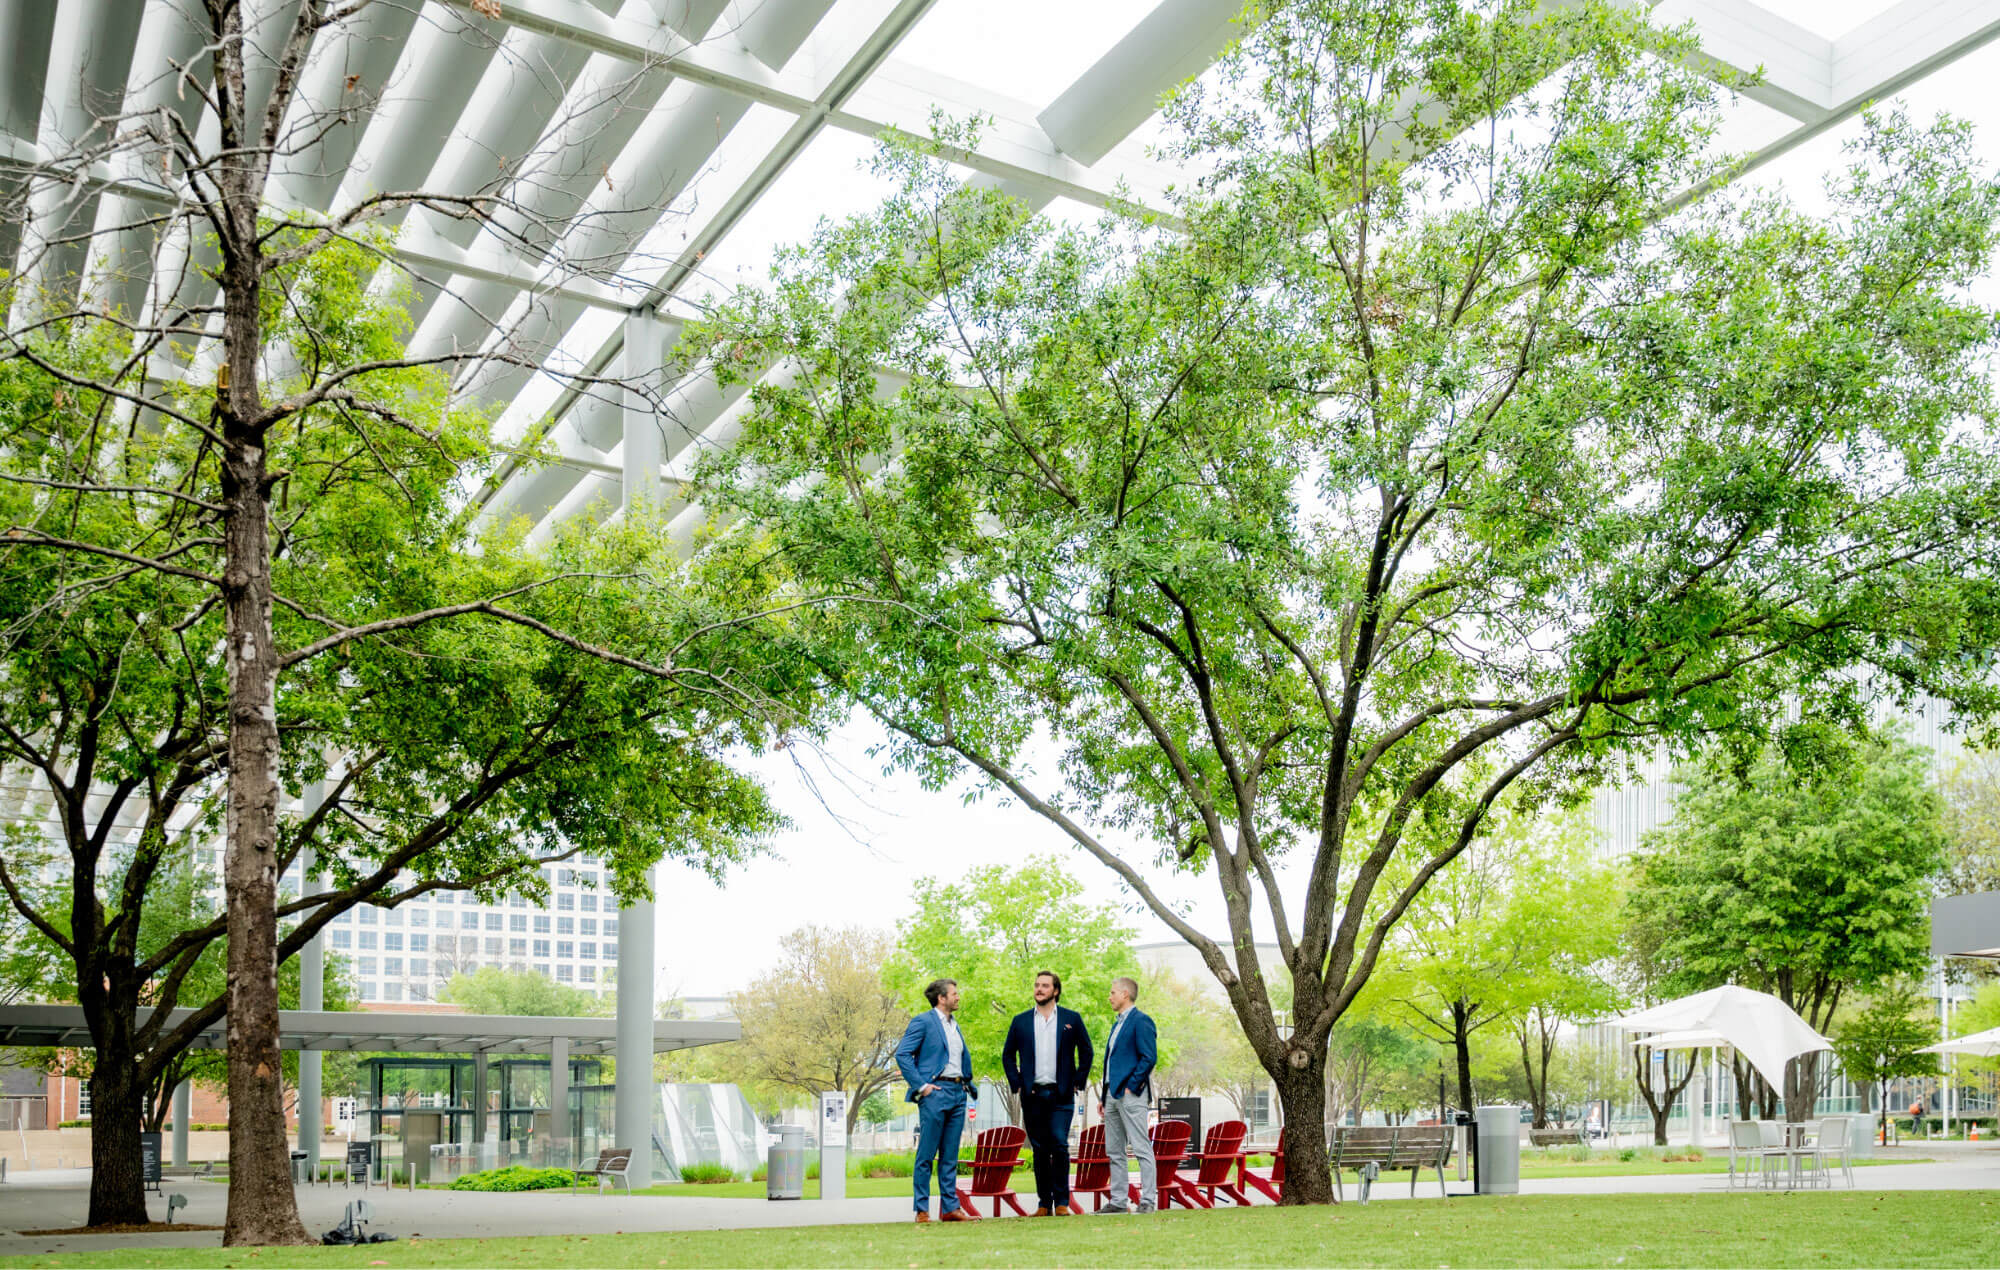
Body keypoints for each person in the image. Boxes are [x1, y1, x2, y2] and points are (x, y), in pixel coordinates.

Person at [1001, 970, 1094, 1216]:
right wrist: (1016, 1082)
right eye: (1036, 985)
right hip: (1032, 1096)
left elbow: (1087, 1052)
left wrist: (1078, 1080)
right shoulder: (1020, 1021)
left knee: (1060, 1144)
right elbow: (1008, 1055)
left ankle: (1062, 1202)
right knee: (1040, 1149)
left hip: (1061, 1095)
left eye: (1044, 986)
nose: (1038, 989)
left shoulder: (1071, 1019)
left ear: (1055, 991)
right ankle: (1044, 1203)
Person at [895, 977, 976, 1223]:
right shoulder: (924, 1021)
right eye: (954, 993)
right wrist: (922, 1086)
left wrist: (966, 1086)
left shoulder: (954, 1024)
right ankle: (922, 1210)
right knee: (927, 1155)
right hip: (935, 1093)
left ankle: (950, 1208)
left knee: (950, 1155)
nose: (958, 997)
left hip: (957, 1093)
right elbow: (902, 1054)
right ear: (942, 998)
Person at [1096, 975, 1158, 1214]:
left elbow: (1149, 1057)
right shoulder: (1116, 1024)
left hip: (1131, 1094)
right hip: (1111, 1095)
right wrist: (1104, 1096)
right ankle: (1119, 1201)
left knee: (1141, 1147)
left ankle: (1148, 1200)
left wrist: (1132, 1085)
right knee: (1114, 1150)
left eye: (1112, 992)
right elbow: (1111, 1062)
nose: (1109, 997)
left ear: (1125, 994)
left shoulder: (1141, 1021)